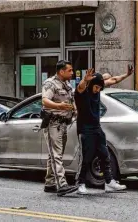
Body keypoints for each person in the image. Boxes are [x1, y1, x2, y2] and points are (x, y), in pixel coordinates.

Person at [74, 65, 133, 195]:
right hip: (85, 129)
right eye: (96, 87)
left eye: (100, 88)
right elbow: (80, 87)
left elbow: (114, 80)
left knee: (104, 155)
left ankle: (109, 182)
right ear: (91, 84)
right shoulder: (82, 93)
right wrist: (85, 79)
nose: (98, 90)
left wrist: (127, 74)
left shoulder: (98, 87)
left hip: (97, 128)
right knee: (86, 157)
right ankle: (80, 183)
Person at [42, 60, 78, 197]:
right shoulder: (50, 83)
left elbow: (71, 102)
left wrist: (74, 111)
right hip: (53, 123)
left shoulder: (67, 85)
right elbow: (45, 100)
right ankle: (62, 184)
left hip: (63, 124)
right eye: (70, 70)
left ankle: (49, 183)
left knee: (55, 155)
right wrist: (59, 106)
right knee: (56, 155)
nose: (72, 73)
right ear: (61, 71)